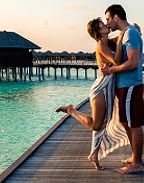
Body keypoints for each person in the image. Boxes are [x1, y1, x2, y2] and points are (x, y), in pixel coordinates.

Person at [55, 18, 130, 170]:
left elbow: (121, 38)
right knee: (96, 124)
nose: (106, 25)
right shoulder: (101, 45)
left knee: (103, 123)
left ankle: (93, 155)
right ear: (98, 31)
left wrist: (129, 32)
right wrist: (121, 38)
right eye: (102, 25)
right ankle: (71, 110)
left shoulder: (107, 42)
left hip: (108, 87)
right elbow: (116, 61)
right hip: (101, 88)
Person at [101, 4, 144, 174]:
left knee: (134, 123)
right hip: (124, 86)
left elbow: (133, 62)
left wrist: (110, 70)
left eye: (108, 19)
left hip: (130, 85)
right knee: (126, 122)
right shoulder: (126, 34)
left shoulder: (130, 34)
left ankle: (138, 163)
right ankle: (135, 157)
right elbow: (105, 41)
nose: (107, 23)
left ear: (116, 17)